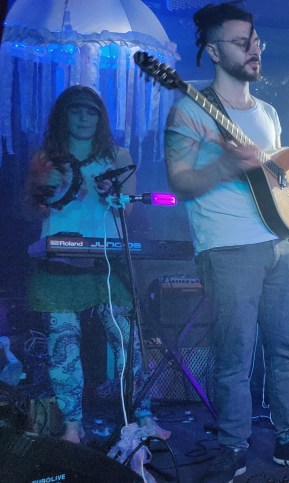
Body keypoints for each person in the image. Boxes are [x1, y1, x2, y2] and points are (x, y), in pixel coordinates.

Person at [163, 3, 289, 479]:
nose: (254, 48)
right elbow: (178, 181)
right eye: (242, 42)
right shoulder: (189, 108)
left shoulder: (267, 112)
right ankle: (232, 446)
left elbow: (273, 178)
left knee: (287, 350)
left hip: (278, 243)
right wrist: (223, 167)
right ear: (214, 51)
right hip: (226, 246)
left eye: (256, 39)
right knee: (234, 354)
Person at [23, 85, 170, 444]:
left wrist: (112, 194)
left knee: (126, 340)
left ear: (101, 117)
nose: (84, 118)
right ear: (63, 115)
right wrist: (41, 186)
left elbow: (128, 209)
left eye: (91, 112)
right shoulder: (45, 157)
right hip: (57, 260)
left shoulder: (118, 155)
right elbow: (29, 211)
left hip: (105, 261)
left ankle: (143, 415)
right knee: (63, 343)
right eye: (76, 111)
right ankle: (73, 424)